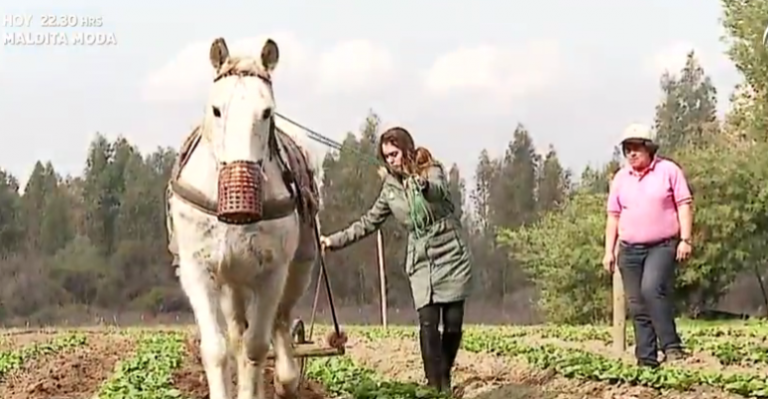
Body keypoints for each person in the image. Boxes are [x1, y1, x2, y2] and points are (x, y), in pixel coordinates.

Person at [320, 126, 473, 393]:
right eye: (386, 156)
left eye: (394, 154)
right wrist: (333, 241)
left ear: (406, 149)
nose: (391, 160)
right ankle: (434, 387)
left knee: (452, 323)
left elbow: (438, 191)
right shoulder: (390, 190)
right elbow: (368, 222)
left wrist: (422, 185)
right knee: (428, 322)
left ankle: (444, 373)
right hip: (421, 258)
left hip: (450, 251)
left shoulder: (430, 169)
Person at [603, 123, 693, 368]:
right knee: (637, 303)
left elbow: (684, 204)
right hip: (629, 249)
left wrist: (685, 239)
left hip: (662, 245)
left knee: (652, 289)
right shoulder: (621, 178)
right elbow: (613, 216)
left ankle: (671, 346)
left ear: (650, 148)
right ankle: (646, 358)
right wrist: (609, 251)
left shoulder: (668, 171)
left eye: (637, 148)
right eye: (627, 149)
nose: (631, 153)